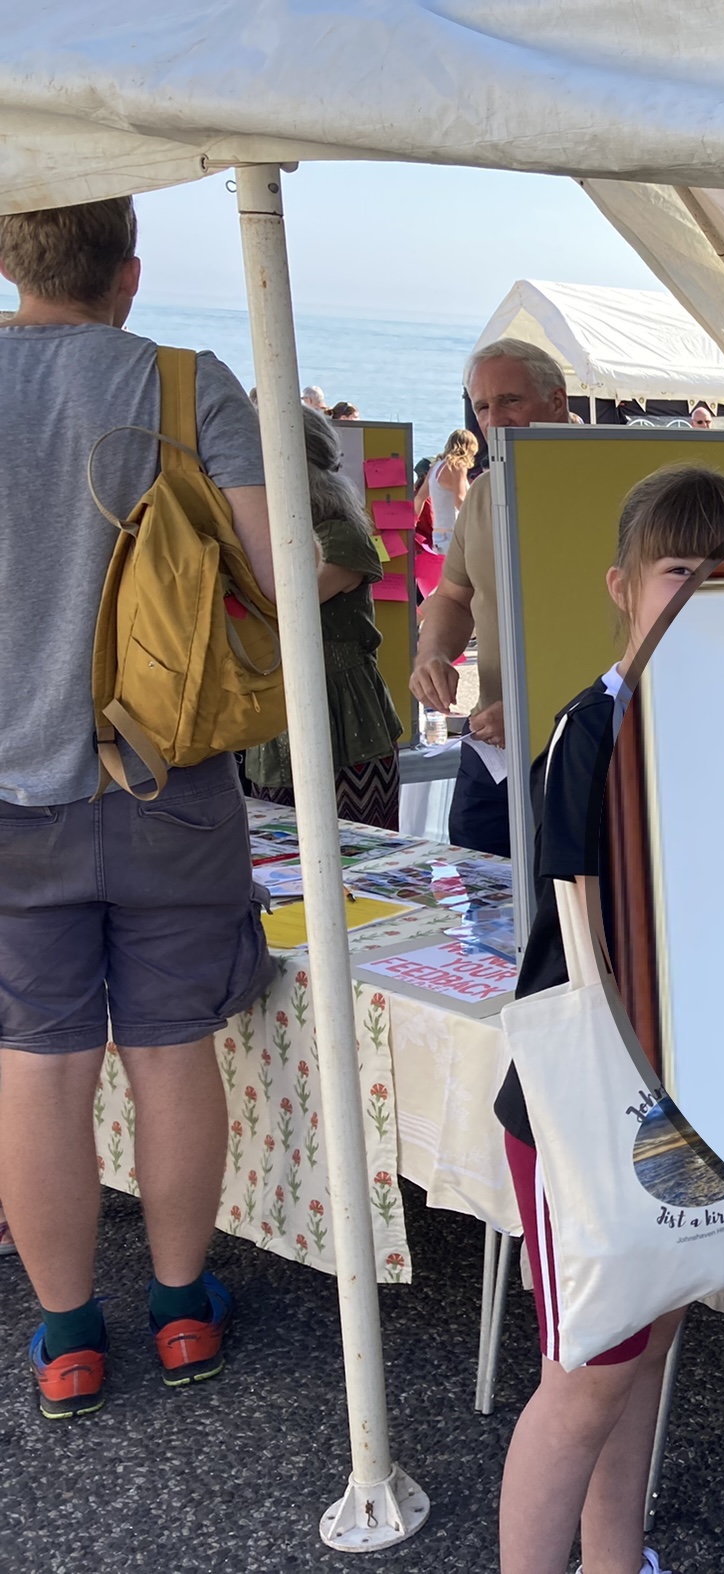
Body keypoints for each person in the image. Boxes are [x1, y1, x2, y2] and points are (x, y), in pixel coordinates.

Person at [0, 196, 275, 1420]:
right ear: (131, 272)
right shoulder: (188, 385)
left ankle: (66, 1334)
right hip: (168, 777)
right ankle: (178, 1309)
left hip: (10, 792)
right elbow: (271, 578)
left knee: (38, 1067)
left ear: (11, 260)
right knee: (171, 1052)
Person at [496, 465, 724, 1574]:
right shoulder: (591, 732)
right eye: (680, 574)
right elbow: (592, 938)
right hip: (585, 1110)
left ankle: (616, 1555)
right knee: (586, 1369)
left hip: (683, 1099)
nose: (704, 598)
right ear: (624, 586)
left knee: (646, 1339)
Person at [409, 338, 571, 856]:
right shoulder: (482, 493)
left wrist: (537, 707)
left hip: (580, 748)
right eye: (482, 406)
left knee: (572, 922)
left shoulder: (611, 485)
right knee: (481, 902)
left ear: (558, 401)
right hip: (493, 749)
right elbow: (454, 599)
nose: (494, 420)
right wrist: (432, 653)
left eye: (511, 401)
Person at [243, 406, 405, 828]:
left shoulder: (342, 537)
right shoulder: (269, 541)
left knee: (358, 854)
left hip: (348, 721)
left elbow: (287, 601)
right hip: (277, 718)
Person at [415, 427, 477, 557]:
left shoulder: (435, 466)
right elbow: (460, 500)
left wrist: (412, 524)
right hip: (454, 533)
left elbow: (419, 498)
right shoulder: (457, 466)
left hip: (438, 534)